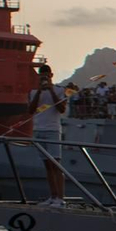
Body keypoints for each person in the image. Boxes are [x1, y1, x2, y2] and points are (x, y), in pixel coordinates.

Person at [27, 64, 69, 208]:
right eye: (42, 76)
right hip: (38, 130)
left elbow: (62, 108)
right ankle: (53, 195)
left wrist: (51, 90)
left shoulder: (60, 90)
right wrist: (39, 92)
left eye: (46, 76)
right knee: (47, 166)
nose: (44, 78)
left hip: (52, 130)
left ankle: (60, 198)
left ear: (51, 75)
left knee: (56, 164)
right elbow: (30, 110)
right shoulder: (33, 92)